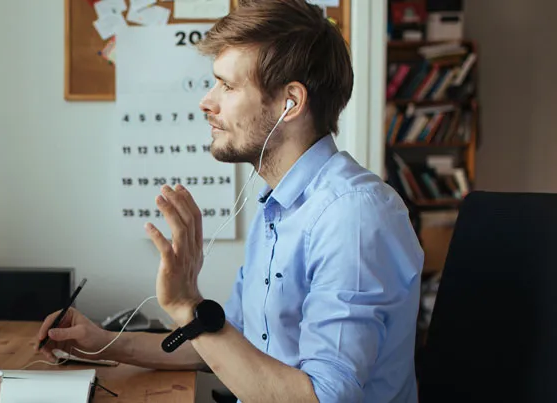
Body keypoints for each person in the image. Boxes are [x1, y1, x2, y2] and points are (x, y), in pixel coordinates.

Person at [35, 1, 424, 402]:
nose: (207, 101)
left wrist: (187, 303)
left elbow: (324, 398)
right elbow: (226, 343)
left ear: (290, 102)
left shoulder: (353, 215)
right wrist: (103, 343)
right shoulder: (278, 205)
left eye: (228, 86)